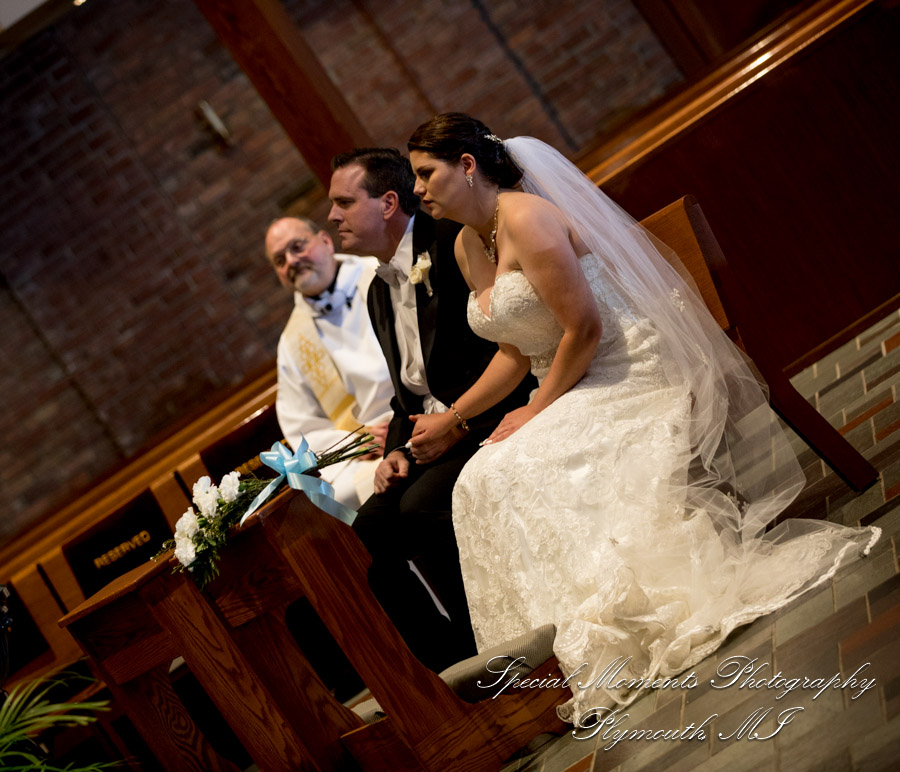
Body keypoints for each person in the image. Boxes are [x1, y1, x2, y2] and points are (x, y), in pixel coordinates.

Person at [406, 113, 881, 724]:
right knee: (479, 478)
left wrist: (535, 409)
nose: (418, 188)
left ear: (467, 165)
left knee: (512, 467)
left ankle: (601, 621)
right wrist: (454, 417)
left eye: (426, 173)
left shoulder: (527, 218)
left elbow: (585, 328)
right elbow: (514, 352)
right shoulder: (468, 245)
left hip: (626, 365)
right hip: (569, 377)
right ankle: (549, 648)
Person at [327, 148, 536, 671]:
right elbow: (408, 397)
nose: (331, 217)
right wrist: (395, 452)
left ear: (387, 203)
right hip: (430, 435)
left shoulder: (450, 243)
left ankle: (498, 646)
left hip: (485, 416)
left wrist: (457, 421)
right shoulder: (378, 291)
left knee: (419, 508)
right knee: (366, 536)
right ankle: (447, 668)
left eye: (343, 203)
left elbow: (508, 343)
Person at [265, 216, 393, 509]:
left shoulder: (380, 274)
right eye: (280, 260)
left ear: (325, 240)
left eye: (298, 247)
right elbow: (301, 425)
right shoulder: (292, 342)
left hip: (421, 414)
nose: (291, 261)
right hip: (367, 447)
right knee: (342, 503)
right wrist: (353, 443)